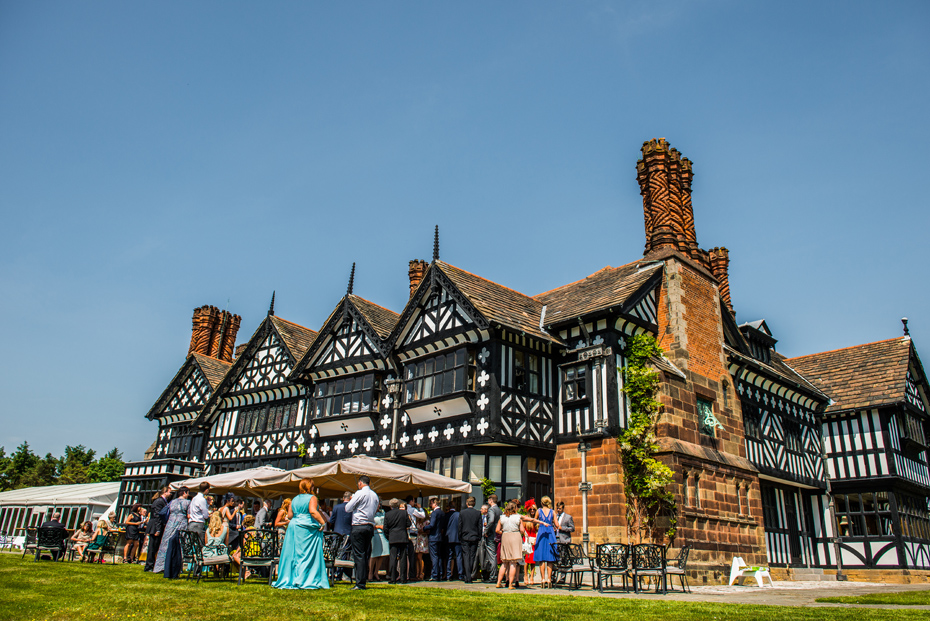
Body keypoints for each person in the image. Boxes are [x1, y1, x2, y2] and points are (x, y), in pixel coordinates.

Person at [273, 478, 329, 589]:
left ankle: (292, 578)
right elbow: (313, 511)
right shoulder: (312, 498)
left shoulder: (294, 499)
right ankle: (304, 579)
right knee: (305, 554)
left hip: (294, 527)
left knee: (294, 554)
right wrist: (322, 523)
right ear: (310, 487)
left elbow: (290, 516)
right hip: (306, 527)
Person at [345, 475, 380, 590]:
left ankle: (359, 583)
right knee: (365, 554)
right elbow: (375, 509)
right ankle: (362, 580)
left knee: (359, 554)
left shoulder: (359, 493)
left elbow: (348, 508)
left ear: (360, 483)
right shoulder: (374, 495)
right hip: (369, 525)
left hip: (359, 525)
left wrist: (352, 501)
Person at [153, 486, 190, 574]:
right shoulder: (187, 502)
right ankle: (176, 566)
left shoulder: (172, 502)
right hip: (181, 523)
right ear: (184, 493)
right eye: (188, 493)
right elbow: (189, 515)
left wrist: (166, 520)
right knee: (179, 544)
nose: (188, 495)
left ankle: (160, 566)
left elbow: (162, 512)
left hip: (170, 523)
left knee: (165, 544)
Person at [495, 501, 524, 589]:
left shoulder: (502, 517)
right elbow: (522, 530)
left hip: (505, 536)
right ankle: (511, 584)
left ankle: (499, 582)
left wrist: (502, 531)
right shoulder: (518, 517)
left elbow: (497, 530)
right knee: (513, 562)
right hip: (515, 535)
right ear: (515, 508)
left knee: (504, 562)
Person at [144, 487, 172, 572]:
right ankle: (149, 566)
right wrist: (158, 529)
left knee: (155, 546)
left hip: (157, 525)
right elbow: (157, 516)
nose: (170, 494)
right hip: (155, 526)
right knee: (153, 547)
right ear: (165, 492)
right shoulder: (160, 501)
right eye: (169, 492)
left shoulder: (162, 501)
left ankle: (152, 565)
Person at [327, 491, 354, 581]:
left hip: (337, 532)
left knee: (334, 552)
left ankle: (332, 572)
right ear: (350, 498)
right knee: (344, 553)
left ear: (343, 498)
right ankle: (339, 573)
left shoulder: (336, 507)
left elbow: (331, 520)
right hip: (348, 533)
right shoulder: (352, 509)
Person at [533, 496, 558, 588]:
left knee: (542, 558)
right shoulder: (553, 512)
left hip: (541, 532)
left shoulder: (538, 511)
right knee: (550, 558)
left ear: (542, 503)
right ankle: (549, 579)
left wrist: (537, 526)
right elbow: (557, 524)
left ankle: (543, 579)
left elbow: (534, 521)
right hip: (550, 532)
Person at [383, 498, 409, 584]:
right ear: (398, 505)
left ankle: (393, 578)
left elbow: (385, 528)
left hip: (393, 537)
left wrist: (389, 537)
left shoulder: (388, 514)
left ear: (390, 506)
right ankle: (403, 578)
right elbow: (409, 524)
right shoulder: (404, 513)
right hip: (402, 536)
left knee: (393, 558)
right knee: (403, 558)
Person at [459, 497, 482, 583]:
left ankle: (467, 576)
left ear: (467, 503)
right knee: (472, 556)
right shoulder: (478, 513)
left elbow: (460, 526)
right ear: (474, 503)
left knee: (466, 556)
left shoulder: (462, 513)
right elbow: (480, 526)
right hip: (474, 537)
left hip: (465, 537)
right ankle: (469, 576)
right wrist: (479, 536)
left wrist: (460, 536)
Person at [424, 497, 446, 581]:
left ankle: (434, 574)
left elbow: (432, 525)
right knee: (439, 556)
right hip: (440, 536)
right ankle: (440, 573)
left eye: (431, 503)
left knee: (434, 556)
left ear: (435, 503)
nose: (430, 505)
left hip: (433, 537)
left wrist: (425, 528)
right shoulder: (442, 513)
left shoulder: (434, 513)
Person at [554, 501, 575, 585]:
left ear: (563, 508)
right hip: (556, 540)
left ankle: (562, 578)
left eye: (559, 508)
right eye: (557, 508)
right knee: (555, 559)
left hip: (564, 540)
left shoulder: (568, 517)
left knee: (563, 559)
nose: (558, 510)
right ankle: (553, 576)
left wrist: (562, 528)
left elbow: (572, 528)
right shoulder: (554, 516)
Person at [405, 495, 425, 581]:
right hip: (412, 532)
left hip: (405, 532)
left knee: (405, 553)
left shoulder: (404, 509)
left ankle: (405, 572)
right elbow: (422, 515)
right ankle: (411, 573)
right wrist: (420, 508)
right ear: (411, 501)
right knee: (412, 553)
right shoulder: (412, 509)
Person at [482, 494, 501, 581]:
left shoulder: (491, 510)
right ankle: (494, 574)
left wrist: (486, 531)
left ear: (491, 501)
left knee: (492, 555)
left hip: (491, 535)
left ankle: (493, 576)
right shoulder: (499, 510)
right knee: (495, 554)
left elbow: (491, 520)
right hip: (498, 535)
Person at [369, 506, 388, 582]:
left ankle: (376, 572)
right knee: (374, 554)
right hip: (375, 533)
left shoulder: (382, 513)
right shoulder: (371, 513)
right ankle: (370, 572)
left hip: (382, 534)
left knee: (381, 554)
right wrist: (378, 526)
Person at [445, 501, 463, 580]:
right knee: (459, 556)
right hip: (457, 538)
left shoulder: (446, 515)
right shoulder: (459, 515)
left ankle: (449, 574)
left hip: (449, 538)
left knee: (450, 556)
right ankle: (460, 574)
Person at [523, 500, 538, 585]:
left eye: (533, 510)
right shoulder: (526, 518)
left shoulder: (536, 519)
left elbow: (537, 530)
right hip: (527, 539)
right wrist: (526, 539)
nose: (532, 511)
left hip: (534, 540)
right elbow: (523, 530)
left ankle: (531, 576)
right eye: (531, 510)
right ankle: (525, 575)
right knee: (526, 560)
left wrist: (536, 539)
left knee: (533, 560)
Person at [414, 515, 429, 580]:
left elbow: (428, 531)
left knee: (420, 557)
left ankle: (421, 573)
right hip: (418, 539)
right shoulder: (417, 522)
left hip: (423, 539)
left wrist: (421, 531)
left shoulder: (427, 522)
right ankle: (417, 573)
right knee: (417, 557)